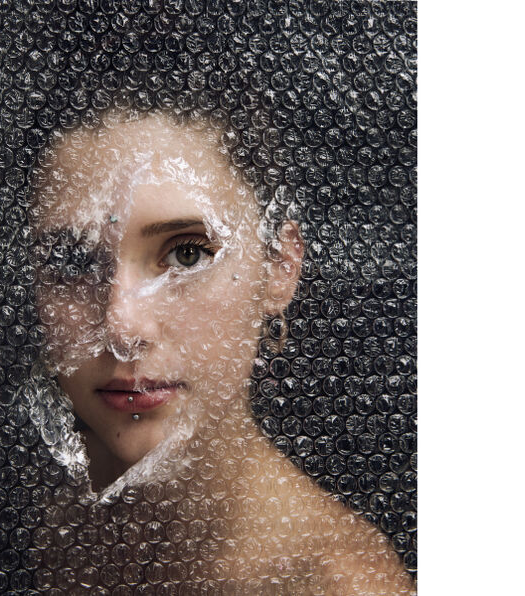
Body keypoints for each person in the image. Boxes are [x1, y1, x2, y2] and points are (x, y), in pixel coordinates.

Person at [28, 110, 414, 594]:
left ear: (278, 267)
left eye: (187, 254)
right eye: (73, 261)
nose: (122, 328)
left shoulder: (338, 584)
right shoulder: (43, 510)